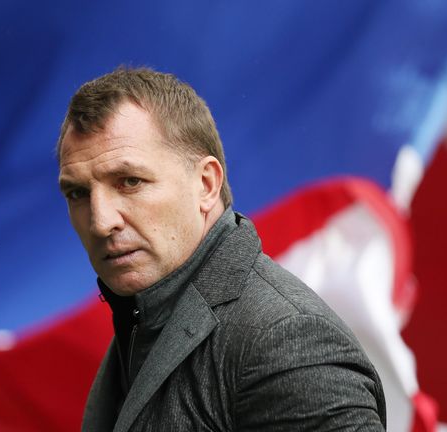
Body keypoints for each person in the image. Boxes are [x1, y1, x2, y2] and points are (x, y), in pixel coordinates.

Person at [57, 67, 386, 431]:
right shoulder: (143, 319)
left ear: (206, 184)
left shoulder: (287, 339)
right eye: (78, 193)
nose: (101, 221)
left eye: (130, 181)